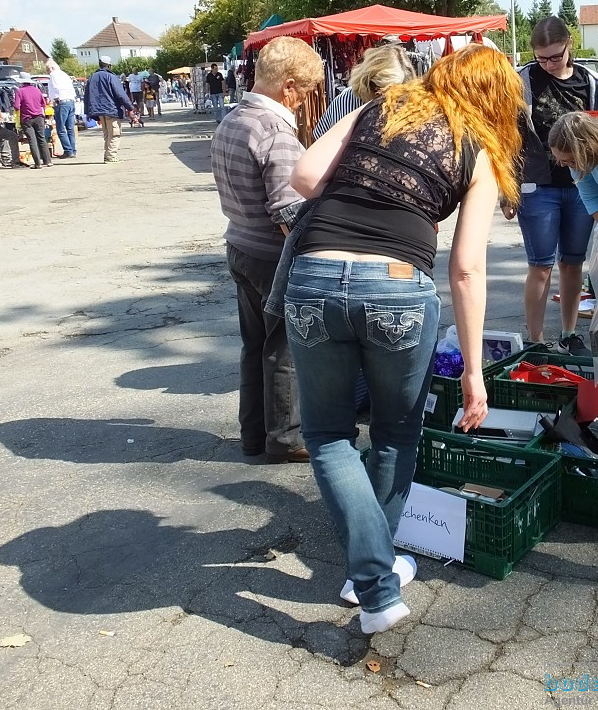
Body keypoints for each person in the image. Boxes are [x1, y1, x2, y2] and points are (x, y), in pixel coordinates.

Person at [274, 44, 524, 633]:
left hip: (313, 276)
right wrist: (473, 370)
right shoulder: (481, 151)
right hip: (396, 287)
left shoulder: (379, 108)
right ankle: (375, 585)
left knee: (329, 436)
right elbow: (466, 268)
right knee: (392, 435)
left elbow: (305, 177)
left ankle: (371, 580)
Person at [210, 37, 321, 464]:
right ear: (289, 87)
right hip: (271, 255)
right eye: (308, 91)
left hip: (239, 243)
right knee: (284, 347)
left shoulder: (234, 119)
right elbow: (288, 210)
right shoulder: (275, 130)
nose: (308, 101)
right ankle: (286, 436)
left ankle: (253, 434)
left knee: (254, 345)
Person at [509, 16, 598, 353]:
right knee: (541, 265)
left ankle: (569, 333)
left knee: (573, 262)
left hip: (581, 184)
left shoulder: (588, 81)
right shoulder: (521, 81)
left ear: (569, 47)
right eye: (540, 58)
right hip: (538, 186)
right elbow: (508, 137)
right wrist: (508, 188)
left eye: (555, 57)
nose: (548, 64)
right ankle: (535, 341)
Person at [312, 45, 415, 140]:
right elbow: (320, 140)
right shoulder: (345, 100)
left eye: (396, 92)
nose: (386, 99)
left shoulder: (409, 105)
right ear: (367, 82)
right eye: (379, 90)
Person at [84, 55, 136, 163]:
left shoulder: (92, 77)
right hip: (111, 110)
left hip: (99, 111)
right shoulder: (111, 77)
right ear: (109, 65)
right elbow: (120, 94)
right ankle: (111, 156)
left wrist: (88, 111)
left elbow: (87, 95)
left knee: (107, 134)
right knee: (114, 133)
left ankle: (107, 154)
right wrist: (130, 108)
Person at [14, 73, 52, 169]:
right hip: (39, 117)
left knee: (32, 140)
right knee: (42, 138)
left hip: (27, 119)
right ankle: (48, 161)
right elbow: (43, 103)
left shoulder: (19, 91)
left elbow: (16, 106)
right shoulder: (37, 90)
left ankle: (37, 163)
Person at [46, 58, 78, 159]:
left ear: (51, 68)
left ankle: (68, 150)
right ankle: (72, 150)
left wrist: (54, 99)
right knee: (70, 128)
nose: (48, 72)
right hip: (71, 101)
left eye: (48, 70)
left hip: (61, 102)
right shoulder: (64, 74)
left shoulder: (54, 75)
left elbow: (56, 88)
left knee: (60, 128)